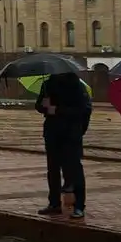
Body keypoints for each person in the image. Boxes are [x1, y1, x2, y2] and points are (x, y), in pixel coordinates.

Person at [36, 72, 89, 219]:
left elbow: (82, 110)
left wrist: (56, 110)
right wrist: (45, 105)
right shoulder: (47, 84)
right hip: (52, 133)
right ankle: (54, 203)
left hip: (71, 134)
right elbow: (39, 105)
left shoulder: (76, 85)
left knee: (74, 169)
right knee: (52, 169)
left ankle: (79, 206)